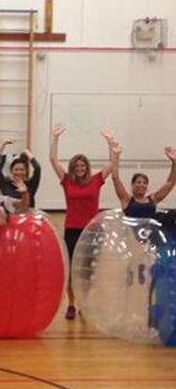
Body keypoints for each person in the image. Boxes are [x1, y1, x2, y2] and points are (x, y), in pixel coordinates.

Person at [50, 123, 113, 320]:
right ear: (73, 168)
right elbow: (52, 159)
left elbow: (112, 163)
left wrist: (111, 143)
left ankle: (84, 303)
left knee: (87, 270)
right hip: (72, 230)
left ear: (86, 168)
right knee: (71, 270)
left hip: (92, 231)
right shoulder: (67, 180)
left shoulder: (96, 180)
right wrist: (55, 138)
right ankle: (71, 304)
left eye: (82, 165)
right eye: (76, 166)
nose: (79, 168)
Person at [107, 136, 176, 219]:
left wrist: (174, 162)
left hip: (150, 231)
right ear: (133, 185)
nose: (142, 185)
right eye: (138, 182)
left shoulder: (153, 199)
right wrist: (116, 156)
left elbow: (170, 183)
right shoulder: (127, 200)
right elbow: (115, 178)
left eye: (144, 183)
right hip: (131, 232)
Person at [0, 140, 41, 208]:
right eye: (16, 169)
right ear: (11, 171)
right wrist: (3, 145)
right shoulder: (5, 183)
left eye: (22, 170)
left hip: (27, 215)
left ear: (26, 171)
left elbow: (37, 168)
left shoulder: (31, 184)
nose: (19, 172)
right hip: (11, 215)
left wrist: (28, 154)